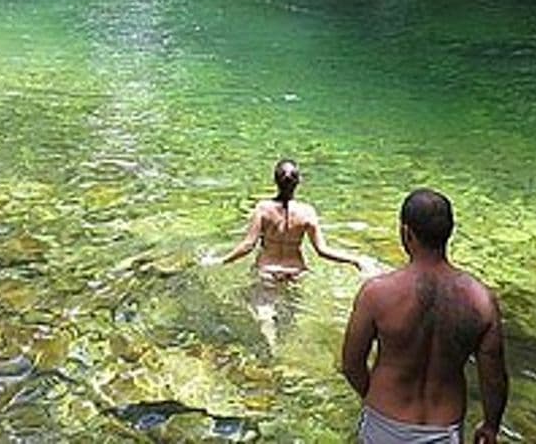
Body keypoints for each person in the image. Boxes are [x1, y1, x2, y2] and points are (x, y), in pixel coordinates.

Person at [340, 189, 508, 444]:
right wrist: (491, 425)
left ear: (406, 233)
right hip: (444, 428)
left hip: (384, 422)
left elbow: (352, 364)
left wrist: (374, 397)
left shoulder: (377, 293)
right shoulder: (481, 300)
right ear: (449, 232)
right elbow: (494, 377)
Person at [205, 159, 368, 350]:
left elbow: (248, 245)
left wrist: (220, 260)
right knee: (290, 314)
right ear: (298, 182)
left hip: (267, 271)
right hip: (296, 272)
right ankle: (289, 346)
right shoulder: (307, 212)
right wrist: (355, 259)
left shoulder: (263, 209)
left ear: (275, 181)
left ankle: (272, 345)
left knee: (265, 312)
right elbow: (322, 251)